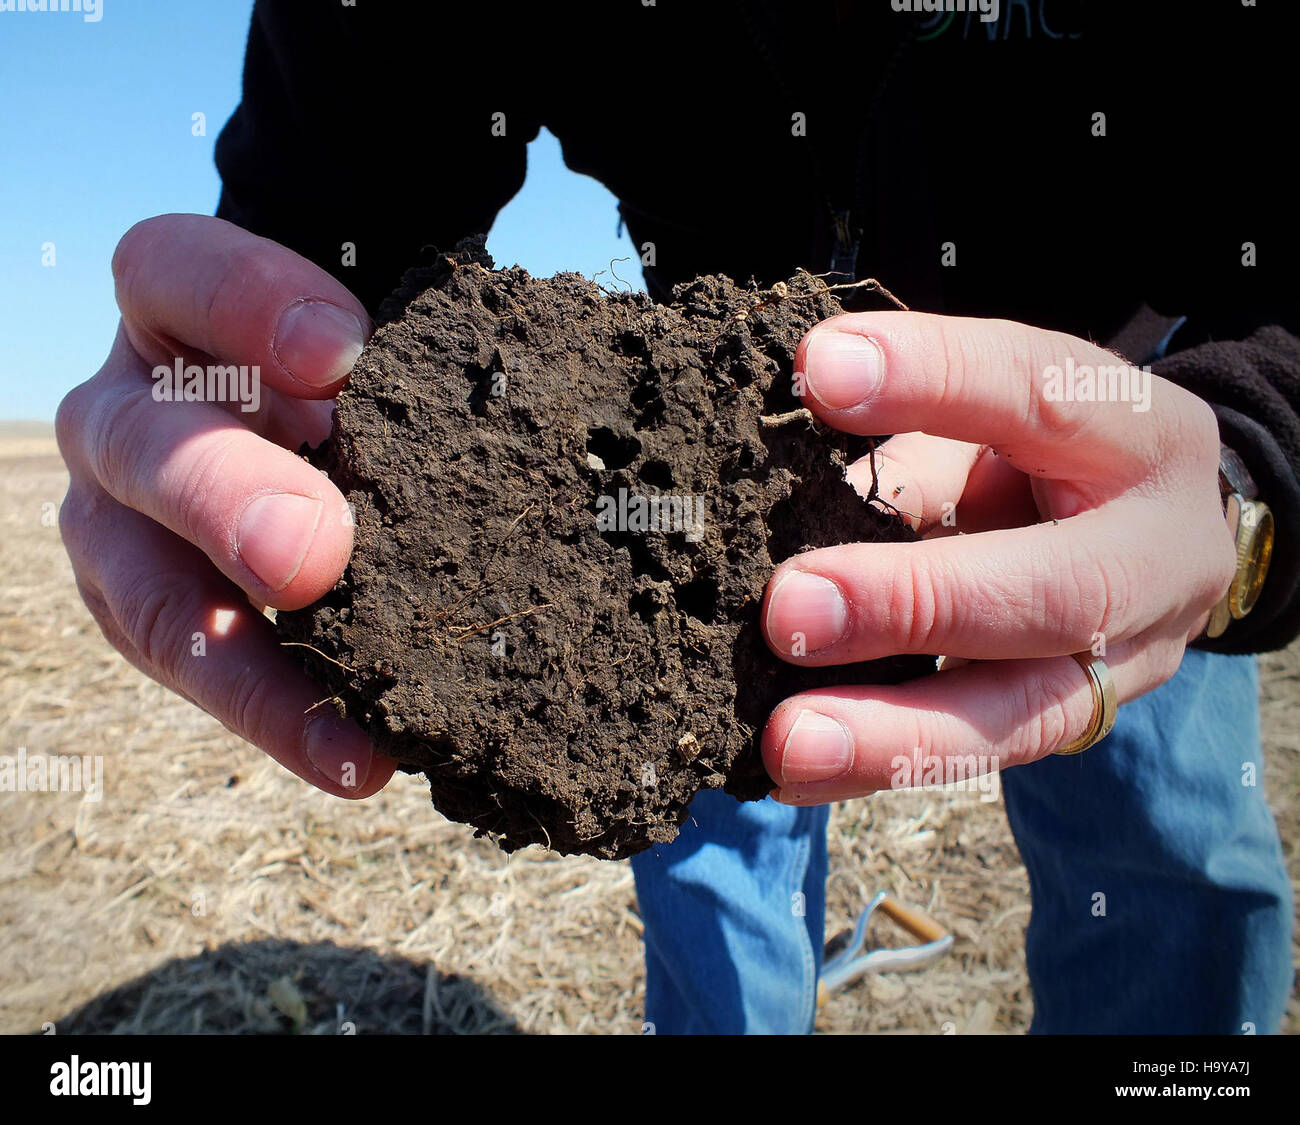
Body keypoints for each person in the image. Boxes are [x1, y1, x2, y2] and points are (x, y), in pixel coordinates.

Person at [55, 3, 1295, 1033]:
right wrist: (234, 366)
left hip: (1107, 454)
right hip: (688, 507)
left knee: (1159, 850)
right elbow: (342, 203)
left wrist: (1241, 473)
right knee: (709, 846)